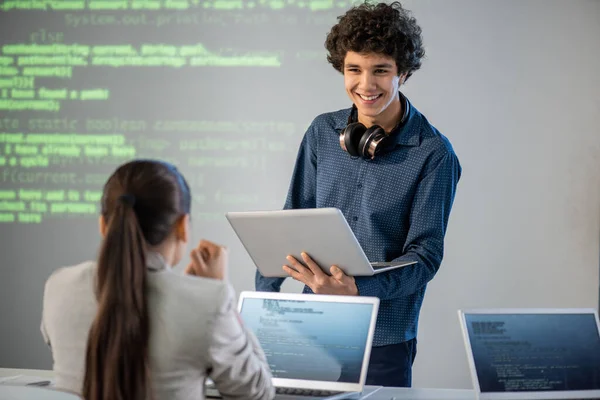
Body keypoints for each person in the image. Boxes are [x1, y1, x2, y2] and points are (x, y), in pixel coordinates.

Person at [255, 1, 462, 387]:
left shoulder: (434, 153)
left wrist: (358, 288)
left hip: (383, 337)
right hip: (311, 325)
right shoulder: (321, 132)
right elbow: (290, 222)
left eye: (380, 70)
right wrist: (262, 309)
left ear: (403, 71)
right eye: (354, 70)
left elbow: (426, 257)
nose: (365, 85)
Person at [41, 159, 275, 400]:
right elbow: (257, 393)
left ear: (103, 225)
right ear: (183, 226)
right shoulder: (209, 302)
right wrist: (218, 289)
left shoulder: (58, 286)